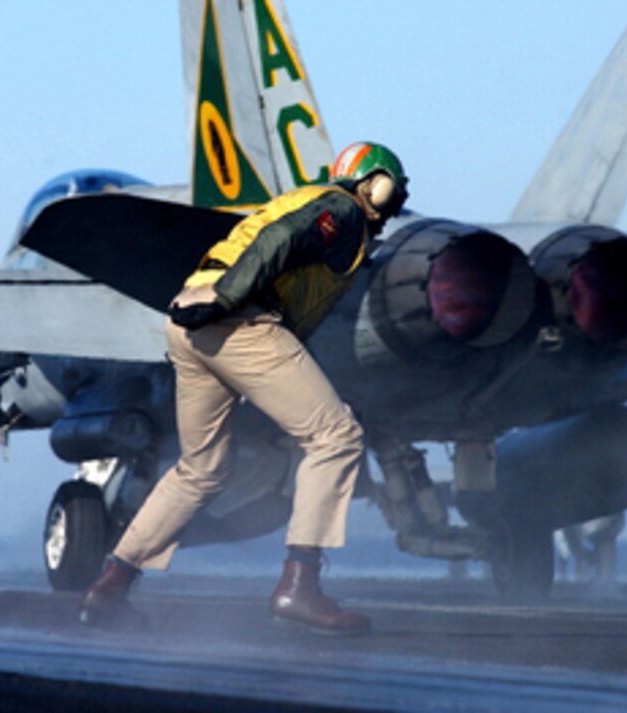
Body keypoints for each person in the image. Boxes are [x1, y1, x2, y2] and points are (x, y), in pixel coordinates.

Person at [79, 142, 409, 635]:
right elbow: (280, 239)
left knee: (201, 470)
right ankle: (300, 586)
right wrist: (230, 297)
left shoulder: (313, 203)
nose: (393, 209)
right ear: (373, 185)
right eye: (394, 196)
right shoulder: (339, 208)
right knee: (337, 436)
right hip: (235, 317)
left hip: (191, 318)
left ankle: (108, 588)